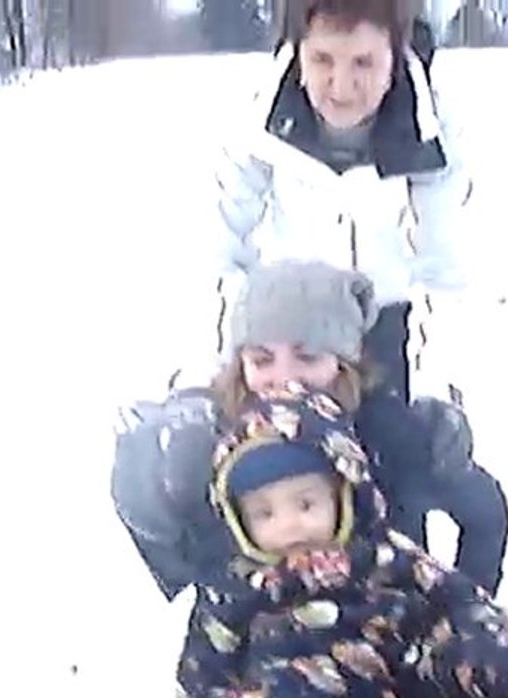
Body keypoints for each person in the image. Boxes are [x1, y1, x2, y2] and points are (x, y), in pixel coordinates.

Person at [176, 385, 508, 698]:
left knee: (450, 654)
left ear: (344, 494)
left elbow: (454, 598)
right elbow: (200, 675)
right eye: (264, 514)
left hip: (404, 681)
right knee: (285, 696)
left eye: (305, 504)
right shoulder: (233, 589)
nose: (288, 524)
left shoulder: (383, 552)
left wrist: (482, 633)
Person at [112, 261, 508, 604]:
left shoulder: (389, 434)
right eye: (262, 360)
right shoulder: (215, 441)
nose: (283, 378)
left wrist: (464, 613)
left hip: (385, 661)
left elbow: (486, 515)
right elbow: (178, 558)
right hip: (255, 670)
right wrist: (146, 484)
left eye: (308, 357)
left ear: (344, 362)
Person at [189, 0, 476, 406]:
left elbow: (446, 273)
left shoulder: (432, 134)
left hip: (388, 339)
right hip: (286, 338)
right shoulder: (256, 122)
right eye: (322, 60)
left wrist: (434, 400)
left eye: (363, 63)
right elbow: (215, 251)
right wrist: (208, 375)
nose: (341, 87)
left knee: (417, 461)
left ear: (394, 59)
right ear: (297, 53)